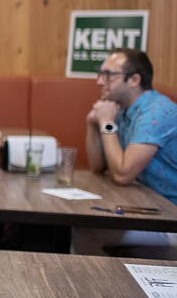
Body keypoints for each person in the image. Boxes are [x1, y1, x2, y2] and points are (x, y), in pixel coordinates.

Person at [74, 48, 177, 254]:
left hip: (170, 217)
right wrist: (92, 124)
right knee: (80, 222)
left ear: (134, 80)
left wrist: (106, 123)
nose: (100, 81)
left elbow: (122, 174)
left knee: (87, 230)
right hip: (145, 208)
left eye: (108, 75)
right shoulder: (121, 109)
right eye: (100, 74)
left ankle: (95, 286)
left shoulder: (157, 112)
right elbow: (98, 166)